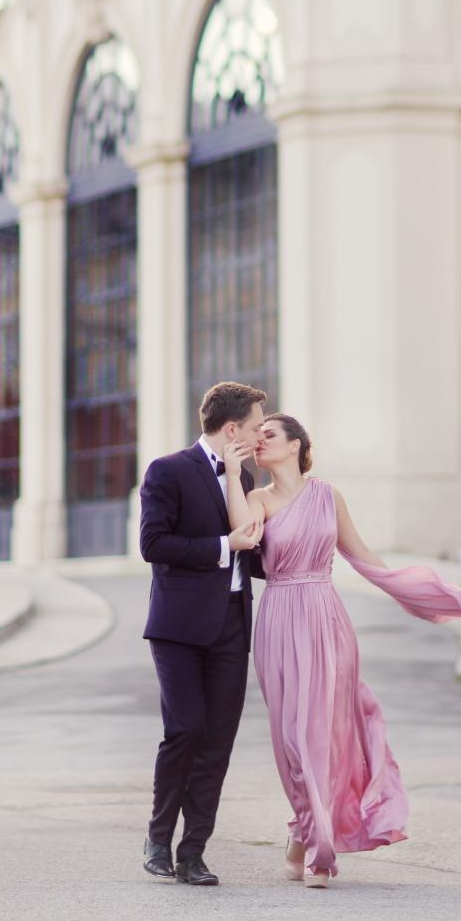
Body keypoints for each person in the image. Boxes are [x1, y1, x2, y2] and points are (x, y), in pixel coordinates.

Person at [225, 413, 461, 888]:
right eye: (256, 437)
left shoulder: (329, 496)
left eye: (268, 436)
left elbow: (362, 555)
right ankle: (303, 830)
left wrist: (410, 590)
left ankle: (319, 850)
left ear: (296, 445)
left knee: (325, 733)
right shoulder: (257, 498)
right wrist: (230, 470)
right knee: (291, 737)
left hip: (327, 618)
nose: (258, 443)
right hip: (279, 619)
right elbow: (242, 535)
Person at [138, 380, 266, 887]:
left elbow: (256, 551)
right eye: (257, 427)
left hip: (233, 625)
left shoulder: (248, 479)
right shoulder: (167, 471)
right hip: (179, 628)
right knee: (185, 728)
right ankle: (158, 836)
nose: (261, 435)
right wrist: (223, 545)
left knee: (218, 740)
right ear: (231, 428)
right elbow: (153, 543)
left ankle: (193, 852)